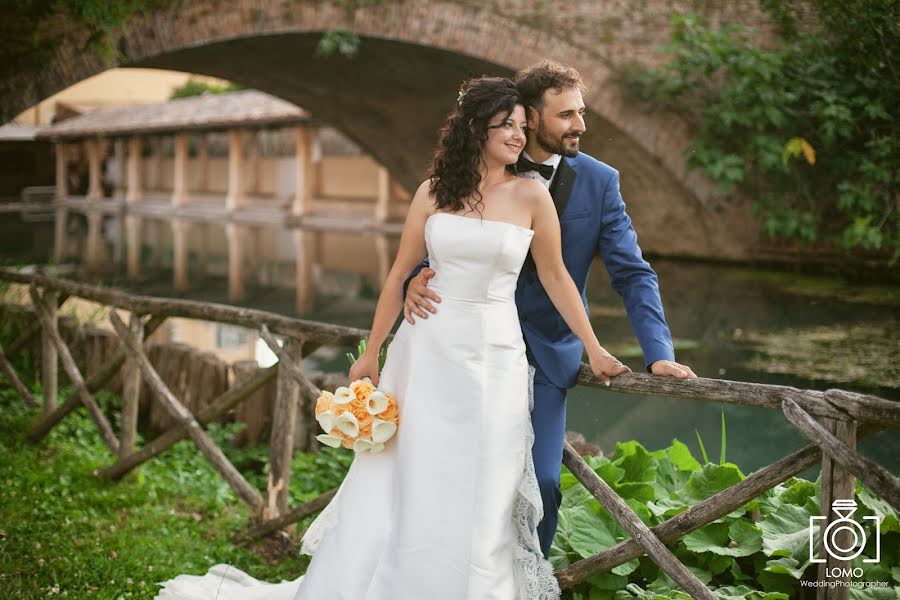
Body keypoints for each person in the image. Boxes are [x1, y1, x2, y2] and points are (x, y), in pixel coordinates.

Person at [155, 76, 627, 600]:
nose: (519, 136)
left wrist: (594, 347)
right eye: (507, 126)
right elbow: (400, 272)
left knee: (487, 479)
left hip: (495, 357)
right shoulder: (432, 193)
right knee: (413, 474)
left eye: (522, 126)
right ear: (476, 129)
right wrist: (372, 351)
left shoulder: (532, 195)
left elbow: (558, 277)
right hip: (425, 350)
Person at [403, 60, 697, 561]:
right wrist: (416, 279)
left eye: (580, 113)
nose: (580, 125)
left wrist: (658, 352)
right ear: (530, 117)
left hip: (544, 355)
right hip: (458, 349)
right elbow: (440, 241)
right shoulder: (475, 168)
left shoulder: (599, 183)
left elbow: (632, 273)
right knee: (446, 473)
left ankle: (524, 583)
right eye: (567, 115)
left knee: (541, 481)